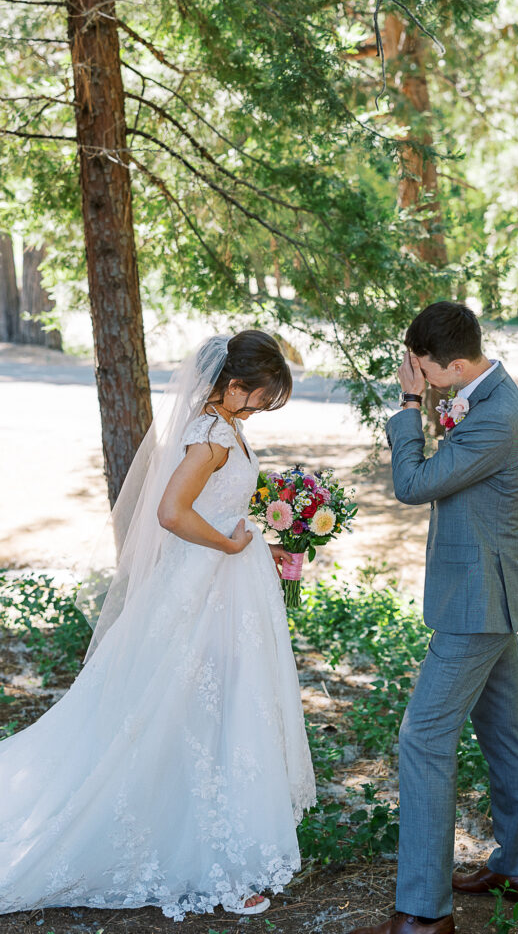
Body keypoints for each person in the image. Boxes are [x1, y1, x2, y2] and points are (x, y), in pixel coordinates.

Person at [0, 330, 315, 922]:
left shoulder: (221, 427)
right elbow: (172, 513)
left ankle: (231, 847)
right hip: (205, 588)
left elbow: (216, 505)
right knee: (198, 711)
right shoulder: (211, 438)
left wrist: (249, 543)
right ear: (232, 383)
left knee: (222, 707)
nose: (262, 405)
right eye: (260, 394)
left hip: (226, 583)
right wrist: (226, 542)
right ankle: (211, 859)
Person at [348, 302, 518, 934]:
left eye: (422, 370)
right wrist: (430, 403)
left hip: (477, 603)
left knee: (423, 737)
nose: (416, 378)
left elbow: (414, 482)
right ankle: (516, 868)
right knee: (504, 732)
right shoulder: (481, 395)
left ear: (455, 365)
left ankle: (425, 914)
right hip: (489, 593)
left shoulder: (501, 417)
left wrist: (408, 411)